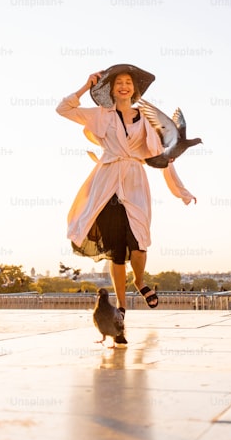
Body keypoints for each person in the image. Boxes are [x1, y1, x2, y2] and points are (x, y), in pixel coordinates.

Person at [57, 64, 196, 317]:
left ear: (135, 89)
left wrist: (181, 190)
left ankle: (139, 281)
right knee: (117, 251)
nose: (124, 86)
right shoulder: (100, 115)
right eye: (119, 82)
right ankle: (121, 305)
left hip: (134, 183)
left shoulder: (144, 120)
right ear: (111, 88)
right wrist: (86, 85)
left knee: (140, 242)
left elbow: (161, 158)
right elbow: (63, 109)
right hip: (107, 183)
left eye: (128, 83)